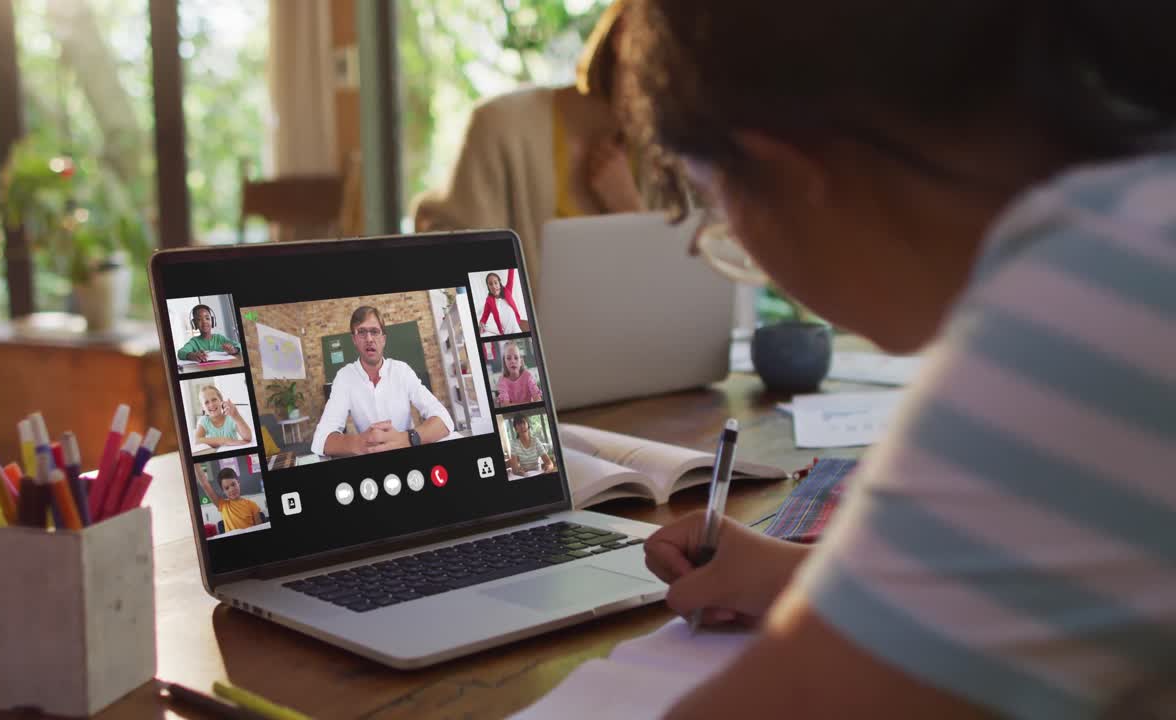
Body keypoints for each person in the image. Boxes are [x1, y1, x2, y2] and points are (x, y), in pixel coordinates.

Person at [622, 2, 1176, 718]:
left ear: (787, 172)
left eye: (722, 215)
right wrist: (818, 582)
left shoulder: (1101, 293)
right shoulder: (1143, 219)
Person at [411, 0, 644, 292]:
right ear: (625, 35)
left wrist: (630, 210)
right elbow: (451, 264)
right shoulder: (500, 125)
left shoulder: (671, 158)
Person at [311, 306, 455, 457]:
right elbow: (321, 440)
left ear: (383, 339)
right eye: (361, 332)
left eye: (374, 331)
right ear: (354, 339)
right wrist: (360, 443)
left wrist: (406, 439)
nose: (369, 339)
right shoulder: (344, 377)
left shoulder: (402, 370)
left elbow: (444, 419)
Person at [194, 464, 263, 532]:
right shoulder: (222, 505)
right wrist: (196, 463)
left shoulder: (252, 505)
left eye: (233, 484)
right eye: (227, 488)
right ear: (223, 491)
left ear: (238, 482)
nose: (231, 489)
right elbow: (204, 484)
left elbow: (259, 528)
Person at [194, 384, 253, 448]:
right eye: (206, 402)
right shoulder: (204, 421)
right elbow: (197, 441)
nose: (211, 404)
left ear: (221, 401)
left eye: (214, 399)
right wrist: (223, 441)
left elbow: (248, 437)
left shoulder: (230, 417)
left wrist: (236, 416)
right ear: (203, 407)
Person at [177, 304, 242, 362]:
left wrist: (234, 350)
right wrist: (192, 355)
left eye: (207, 318)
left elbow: (239, 345)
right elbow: (180, 353)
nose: (204, 322)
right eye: (199, 319)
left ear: (212, 321)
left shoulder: (220, 338)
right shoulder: (194, 342)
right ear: (194, 324)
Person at [478, 269, 529, 336]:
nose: (493, 286)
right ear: (488, 287)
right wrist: (481, 324)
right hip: (505, 333)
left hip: (516, 329)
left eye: (495, 282)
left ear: (499, 283)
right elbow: (484, 317)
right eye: (490, 284)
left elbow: (511, 275)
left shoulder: (507, 290)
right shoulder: (489, 301)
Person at [495, 340, 542, 407]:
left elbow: (538, 400)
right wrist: (529, 403)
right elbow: (505, 405)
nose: (513, 361)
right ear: (504, 362)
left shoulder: (527, 376)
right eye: (508, 358)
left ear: (521, 361)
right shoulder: (502, 380)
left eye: (516, 358)